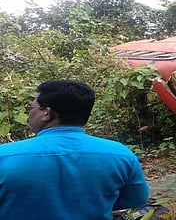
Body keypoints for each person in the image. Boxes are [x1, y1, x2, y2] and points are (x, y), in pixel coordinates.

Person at [0, 80, 149, 219]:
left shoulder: (5, 156)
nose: (29, 113)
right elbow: (136, 200)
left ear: (47, 113)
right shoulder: (121, 155)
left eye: (30, 107)